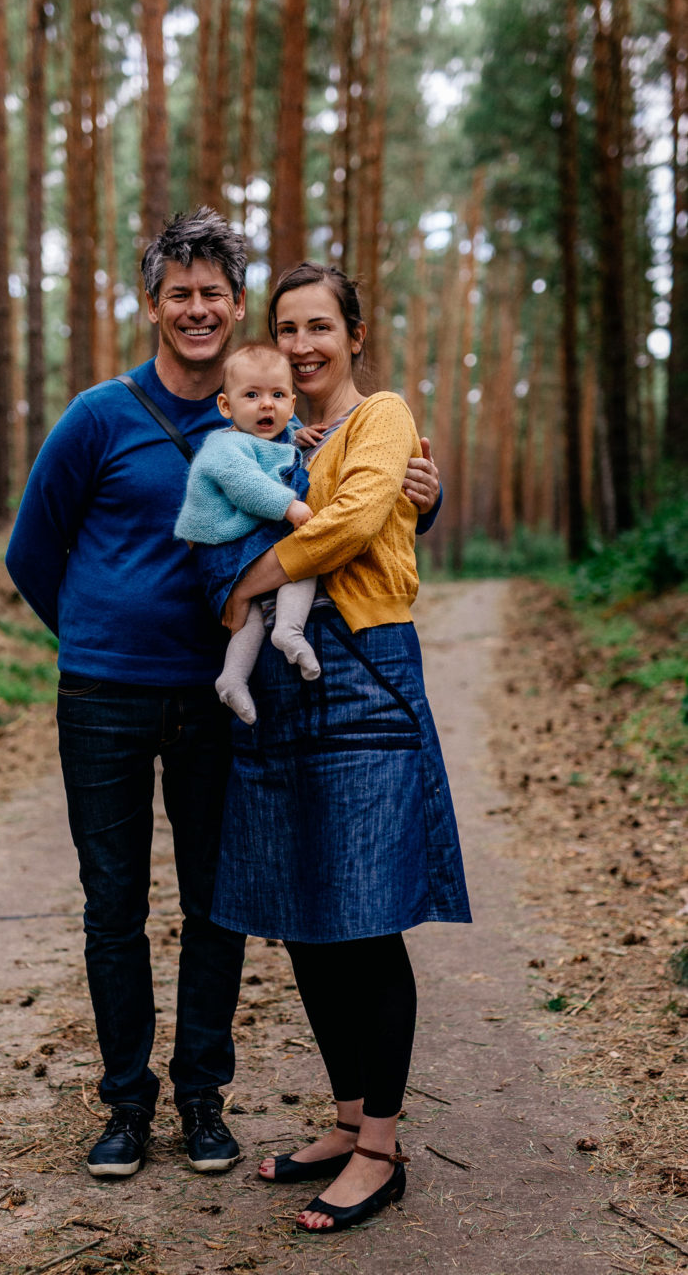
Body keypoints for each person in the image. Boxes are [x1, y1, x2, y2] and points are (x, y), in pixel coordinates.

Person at [5, 209, 442, 1185]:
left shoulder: (265, 413)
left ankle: (202, 1098)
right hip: (106, 695)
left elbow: (353, 498)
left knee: (218, 903)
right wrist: (92, 635)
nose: (196, 309)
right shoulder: (99, 416)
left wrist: (427, 494)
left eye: (213, 293)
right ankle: (126, 1105)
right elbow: (31, 550)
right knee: (113, 904)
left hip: (217, 698)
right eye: (179, 294)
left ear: (236, 307)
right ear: (152, 304)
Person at [209, 262, 471, 1233]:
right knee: (307, 917)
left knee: (365, 917)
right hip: (284, 689)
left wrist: (251, 581)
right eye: (287, 328)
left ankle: (381, 1150)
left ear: (353, 335)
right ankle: (349, 1117)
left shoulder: (383, 416)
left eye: (320, 325)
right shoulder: (281, 437)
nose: (303, 344)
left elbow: (359, 521)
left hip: (363, 676)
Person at [175, 342, 319, 726]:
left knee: (253, 614)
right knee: (303, 560)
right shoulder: (224, 446)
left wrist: (298, 434)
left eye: (278, 396)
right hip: (222, 549)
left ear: (292, 403)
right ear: (226, 406)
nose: (266, 405)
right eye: (252, 395)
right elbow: (247, 486)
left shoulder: (275, 438)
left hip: (240, 546)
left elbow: (281, 447)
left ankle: (236, 676)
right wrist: (290, 507)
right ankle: (286, 631)